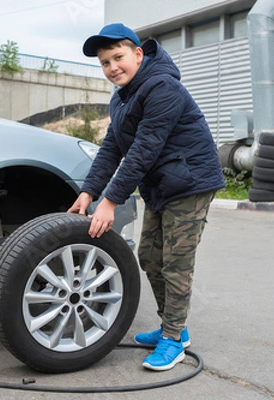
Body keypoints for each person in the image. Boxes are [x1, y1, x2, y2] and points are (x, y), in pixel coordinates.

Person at [67, 23, 224, 371]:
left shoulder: (162, 87)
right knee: (149, 257)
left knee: (176, 263)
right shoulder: (122, 96)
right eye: (105, 63)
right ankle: (174, 327)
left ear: (138, 54)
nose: (112, 68)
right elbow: (112, 147)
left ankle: (173, 339)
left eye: (118, 57)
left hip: (191, 183)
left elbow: (143, 149)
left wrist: (109, 201)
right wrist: (88, 191)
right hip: (163, 185)